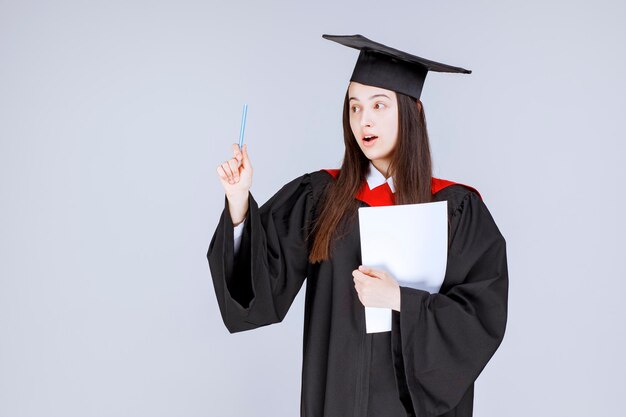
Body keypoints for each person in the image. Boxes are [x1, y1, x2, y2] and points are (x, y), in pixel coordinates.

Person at [207, 34, 508, 417]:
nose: (363, 120)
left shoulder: (456, 209)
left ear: (413, 112)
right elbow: (258, 290)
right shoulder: (321, 197)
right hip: (338, 399)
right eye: (354, 107)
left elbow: (480, 317)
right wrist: (238, 201)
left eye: (379, 105)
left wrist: (400, 300)